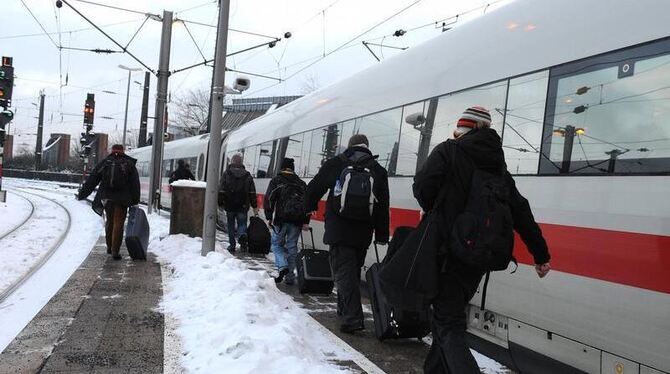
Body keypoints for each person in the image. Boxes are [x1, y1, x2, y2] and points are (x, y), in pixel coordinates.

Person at [412, 106, 551, 373]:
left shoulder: (448, 151)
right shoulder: (498, 166)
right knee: (449, 316)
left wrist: (437, 207)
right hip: (478, 258)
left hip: (446, 254)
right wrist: (541, 255)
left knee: (447, 322)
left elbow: (422, 188)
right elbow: (521, 211)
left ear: (462, 129)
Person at [305, 134, 390, 333]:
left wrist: (308, 208)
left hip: (338, 229)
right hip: (363, 232)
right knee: (351, 271)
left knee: (344, 275)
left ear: (350, 146)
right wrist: (382, 235)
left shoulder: (337, 163)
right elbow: (382, 206)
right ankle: (344, 312)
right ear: (367, 147)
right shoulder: (378, 170)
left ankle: (352, 318)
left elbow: (314, 187)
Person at [77, 144, 140, 260]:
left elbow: (92, 179)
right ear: (123, 151)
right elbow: (135, 184)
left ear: (112, 151)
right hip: (122, 199)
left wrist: (82, 194)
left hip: (107, 198)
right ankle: (115, 251)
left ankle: (109, 247)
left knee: (109, 222)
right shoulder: (129, 164)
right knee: (118, 224)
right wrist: (135, 200)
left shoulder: (105, 162)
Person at [264, 158, 309, 285]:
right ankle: (290, 276)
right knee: (292, 247)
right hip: (296, 221)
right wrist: (306, 221)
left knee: (276, 245)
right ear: (293, 169)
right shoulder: (301, 183)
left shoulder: (277, 181)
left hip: (280, 220)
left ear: (281, 167)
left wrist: (269, 216)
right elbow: (307, 203)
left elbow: (269, 199)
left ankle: (282, 266)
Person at [219, 153, 258, 253]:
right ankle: (242, 237)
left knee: (231, 225)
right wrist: (254, 206)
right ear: (241, 163)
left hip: (229, 204)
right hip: (243, 205)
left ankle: (232, 245)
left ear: (232, 162)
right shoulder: (247, 175)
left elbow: (221, 190)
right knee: (242, 223)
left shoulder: (226, 173)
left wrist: (220, 203)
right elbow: (252, 192)